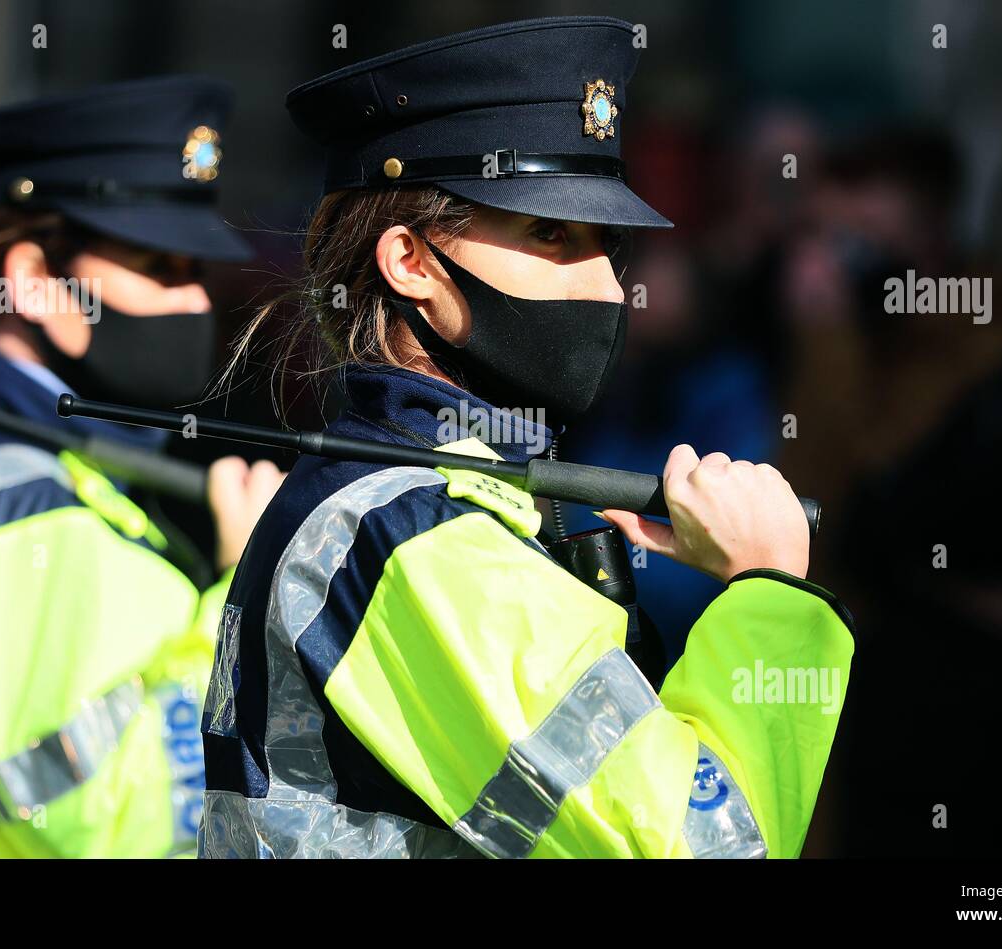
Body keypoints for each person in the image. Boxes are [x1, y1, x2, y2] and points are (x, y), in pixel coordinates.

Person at [200, 16, 855, 859]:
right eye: (552, 233)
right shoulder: (416, 538)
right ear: (412, 263)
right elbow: (710, 845)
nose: (610, 290)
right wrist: (765, 592)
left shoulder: (429, 507)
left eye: (608, 246)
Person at [0, 76, 282, 857]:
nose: (194, 301)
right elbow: (97, 825)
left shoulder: (23, 470)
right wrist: (245, 602)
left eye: (195, 270)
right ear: (37, 284)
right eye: (159, 266)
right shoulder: (2, 505)